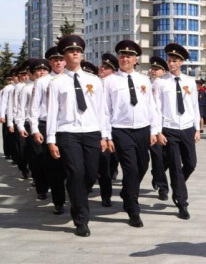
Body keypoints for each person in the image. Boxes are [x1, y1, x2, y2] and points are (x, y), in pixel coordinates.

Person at [46, 35, 107, 237]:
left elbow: (102, 110)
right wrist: (51, 139)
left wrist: (105, 135)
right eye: (71, 51)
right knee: (76, 173)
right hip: (67, 133)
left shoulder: (94, 80)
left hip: (91, 132)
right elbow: (52, 112)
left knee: (89, 174)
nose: (75, 54)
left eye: (78, 51)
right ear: (64, 56)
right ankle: (81, 219)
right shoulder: (56, 82)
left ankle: (75, 194)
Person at [103, 40, 161, 227]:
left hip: (143, 129)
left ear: (136, 59)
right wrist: (107, 135)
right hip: (121, 129)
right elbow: (105, 110)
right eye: (121, 55)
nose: (124, 58)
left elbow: (151, 106)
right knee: (131, 167)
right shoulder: (109, 81)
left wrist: (154, 130)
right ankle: (133, 208)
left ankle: (128, 191)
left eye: (128, 56)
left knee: (143, 165)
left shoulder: (143, 79)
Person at [153, 43, 201, 220]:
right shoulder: (160, 83)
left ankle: (177, 184)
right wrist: (158, 131)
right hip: (170, 129)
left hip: (187, 128)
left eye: (174, 60)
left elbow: (194, 106)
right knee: (175, 166)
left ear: (181, 62)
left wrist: (197, 128)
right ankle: (182, 203)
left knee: (191, 164)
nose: (171, 63)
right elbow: (157, 108)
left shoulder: (190, 81)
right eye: (169, 60)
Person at [29, 46, 67, 215]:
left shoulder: (72, 80)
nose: (58, 62)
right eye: (55, 60)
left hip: (67, 127)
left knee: (72, 164)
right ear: (50, 62)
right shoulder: (42, 82)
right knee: (53, 166)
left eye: (61, 59)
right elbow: (34, 108)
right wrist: (35, 129)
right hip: (46, 126)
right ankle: (58, 201)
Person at [19, 59, 51, 199]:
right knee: (38, 157)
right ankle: (41, 187)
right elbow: (21, 108)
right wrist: (19, 125)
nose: (42, 72)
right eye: (38, 70)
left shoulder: (55, 83)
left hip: (55, 124)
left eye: (44, 70)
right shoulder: (26, 88)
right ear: (33, 73)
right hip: (36, 124)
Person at [96, 53, 119, 207]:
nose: (103, 69)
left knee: (112, 162)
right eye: (102, 66)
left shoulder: (115, 84)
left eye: (107, 68)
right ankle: (106, 195)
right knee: (103, 163)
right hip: (98, 129)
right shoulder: (94, 84)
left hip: (116, 129)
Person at [149, 56, 170, 200]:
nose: (153, 71)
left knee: (165, 158)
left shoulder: (167, 85)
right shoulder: (145, 83)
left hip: (165, 126)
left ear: (164, 71)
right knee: (156, 157)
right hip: (148, 126)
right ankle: (162, 185)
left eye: (157, 69)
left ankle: (158, 177)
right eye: (152, 68)